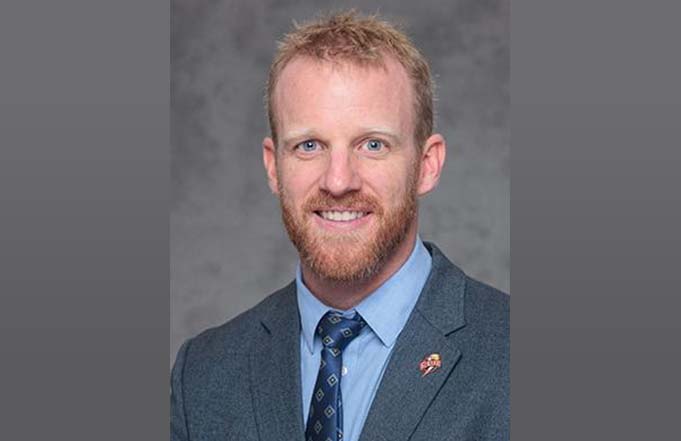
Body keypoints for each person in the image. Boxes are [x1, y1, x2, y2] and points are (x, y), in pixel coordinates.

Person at [171, 10, 509, 441]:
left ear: (427, 165)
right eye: (309, 145)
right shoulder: (203, 375)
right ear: (274, 167)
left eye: (373, 145)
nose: (338, 181)